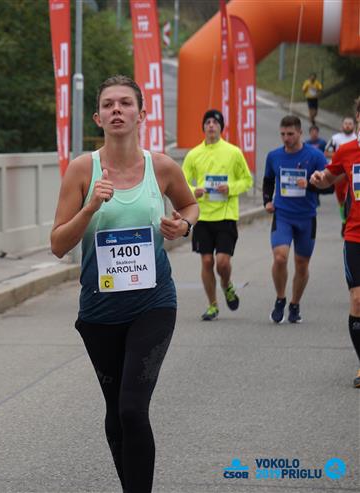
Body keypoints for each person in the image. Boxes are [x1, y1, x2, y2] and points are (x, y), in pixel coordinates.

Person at [50, 75, 198, 493]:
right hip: (100, 310)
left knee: (133, 408)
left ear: (141, 113)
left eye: (126, 103)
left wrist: (183, 224)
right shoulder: (83, 170)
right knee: (117, 412)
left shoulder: (161, 167)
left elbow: (189, 204)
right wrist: (90, 207)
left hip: (154, 303)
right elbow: (58, 244)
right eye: (109, 105)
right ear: (98, 117)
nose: (117, 110)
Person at [182, 109, 253, 321]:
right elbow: (182, 181)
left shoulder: (233, 152)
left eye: (215, 122)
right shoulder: (194, 154)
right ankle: (212, 305)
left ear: (221, 127)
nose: (211, 125)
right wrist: (193, 190)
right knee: (206, 262)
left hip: (226, 215)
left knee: (222, 262)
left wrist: (230, 188)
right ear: (203, 127)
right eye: (208, 122)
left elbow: (247, 180)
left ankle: (226, 284)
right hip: (203, 216)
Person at [310, 96, 360, 388]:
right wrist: (320, 178)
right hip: (355, 234)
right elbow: (329, 177)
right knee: (357, 299)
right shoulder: (347, 150)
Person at [263, 116, 330, 323]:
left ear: (300, 133)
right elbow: (268, 180)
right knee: (280, 258)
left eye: (290, 134)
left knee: (301, 264)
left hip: (306, 217)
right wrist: (267, 201)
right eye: (283, 134)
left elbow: (330, 186)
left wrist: (310, 185)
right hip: (283, 215)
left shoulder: (315, 156)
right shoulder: (274, 156)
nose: (286, 138)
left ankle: (294, 304)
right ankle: (280, 299)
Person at [326, 117, 358, 236]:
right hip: (338, 173)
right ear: (342, 125)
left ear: (354, 125)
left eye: (350, 123)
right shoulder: (335, 138)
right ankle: (344, 220)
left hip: (351, 174)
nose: (348, 125)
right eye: (346, 123)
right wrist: (343, 155)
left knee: (350, 197)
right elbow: (327, 152)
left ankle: (348, 220)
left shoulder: (356, 138)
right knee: (341, 200)